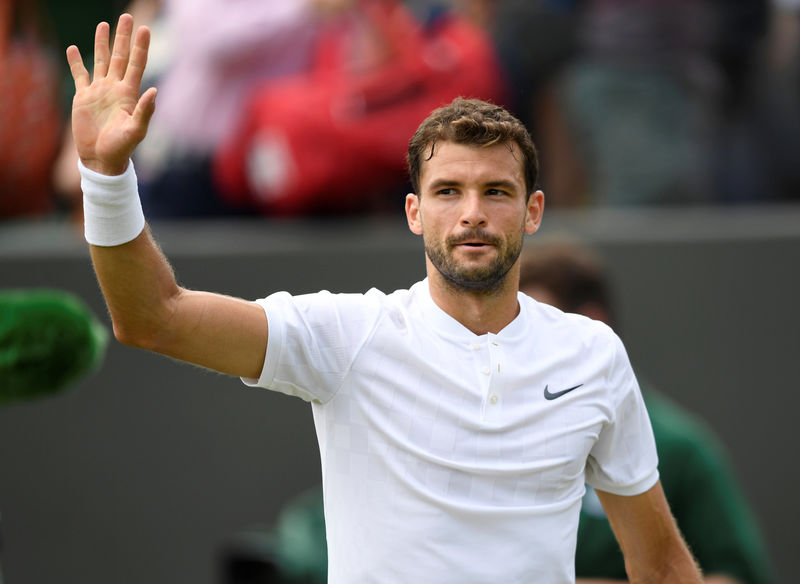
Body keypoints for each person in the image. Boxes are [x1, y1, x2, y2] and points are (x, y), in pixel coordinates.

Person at [65, 13, 703, 582]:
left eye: (497, 192)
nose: (472, 213)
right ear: (414, 212)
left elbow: (662, 566)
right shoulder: (348, 335)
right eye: (448, 191)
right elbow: (154, 317)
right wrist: (106, 177)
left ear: (533, 211)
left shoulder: (593, 355)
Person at [518, 239, 776, 584]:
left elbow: (739, 573)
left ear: (593, 320)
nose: (522, 340)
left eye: (543, 320)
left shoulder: (680, 449)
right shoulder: (502, 436)